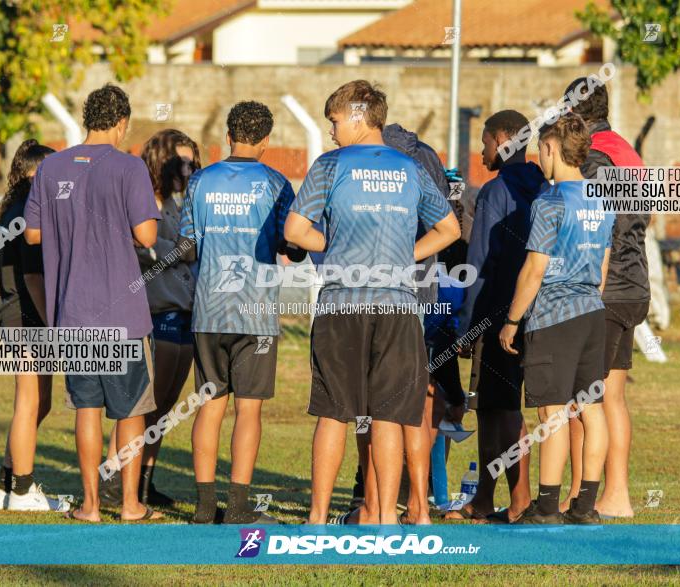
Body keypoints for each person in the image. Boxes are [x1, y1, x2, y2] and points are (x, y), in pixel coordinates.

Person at [284, 80, 460, 525]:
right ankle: (384, 520)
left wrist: (335, 244)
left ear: (359, 117)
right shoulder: (411, 168)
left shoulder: (330, 165)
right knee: (388, 415)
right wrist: (405, 255)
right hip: (399, 305)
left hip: (342, 302)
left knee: (333, 413)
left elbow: (293, 232)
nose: (331, 131)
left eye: (335, 121)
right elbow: (449, 230)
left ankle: (317, 519)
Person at [24, 84, 163, 522]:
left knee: (87, 408)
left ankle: (88, 504)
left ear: (87, 120)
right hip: (123, 314)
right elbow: (147, 236)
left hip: (73, 312)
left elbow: (32, 234)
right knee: (129, 411)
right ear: (121, 123)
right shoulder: (129, 167)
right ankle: (129, 504)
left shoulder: (51, 167)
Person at [179, 101, 300, 524]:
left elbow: (187, 245)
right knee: (249, 409)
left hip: (208, 310)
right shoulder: (276, 183)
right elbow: (295, 244)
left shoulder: (200, 181)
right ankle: (238, 506)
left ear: (228, 136)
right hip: (256, 313)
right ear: (266, 141)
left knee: (209, 404)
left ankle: (204, 505)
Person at [498, 113, 613, 524]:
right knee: (591, 408)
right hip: (592, 314)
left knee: (551, 413)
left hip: (553, 315)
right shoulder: (601, 200)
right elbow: (602, 266)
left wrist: (512, 320)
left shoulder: (549, 201)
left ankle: (546, 506)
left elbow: (534, 268)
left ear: (550, 149)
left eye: (540, 150)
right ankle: (584, 506)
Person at [450, 110, 547, 523]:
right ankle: (485, 500)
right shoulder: (544, 185)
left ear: (504, 139)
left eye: (486, 141)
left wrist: (466, 324)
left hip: (496, 316)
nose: (482, 150)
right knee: (494, 408)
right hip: (536, 312)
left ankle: (521, 499)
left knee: (502, 411)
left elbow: (479, 264)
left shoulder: (495, 192)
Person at [560, 78, 650, 517]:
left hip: (604, 287)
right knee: (610, 397)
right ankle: (617, 495)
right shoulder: (628, 151)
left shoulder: (593, 159)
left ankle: (582, 496)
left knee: (583, 398)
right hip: (635, 284)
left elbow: (591, 226)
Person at [99, 129, 201, 507]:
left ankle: (143, 479)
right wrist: (175, 251)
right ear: (159, 161)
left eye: (192, 161)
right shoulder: (142, 199)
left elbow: (191, 248)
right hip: (149, 312)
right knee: (140, 404)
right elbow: (144, 247)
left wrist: (178, 251)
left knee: (164, 409)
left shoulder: (183, 202)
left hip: (183, 311)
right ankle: (113, 476)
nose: (187, 168)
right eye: (180, 161)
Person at [0, 139, 69, 513]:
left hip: (16, 314)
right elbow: (34, 276)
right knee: (29, 400)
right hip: (26, 315)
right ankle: (21, 492)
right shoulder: (28, 211)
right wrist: (53, 324)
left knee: (39, 401)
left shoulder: (14, 208)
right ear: (35, 173)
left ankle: (6, 486)